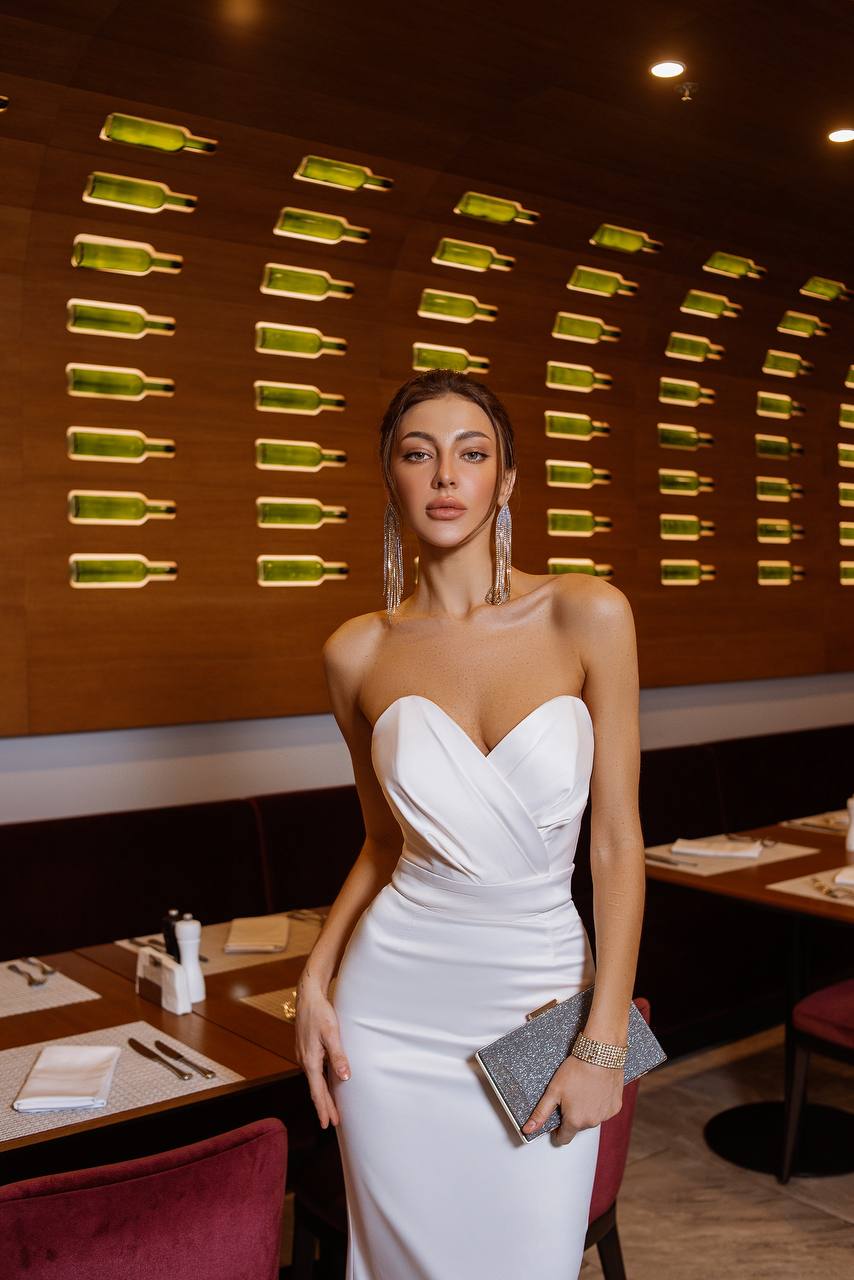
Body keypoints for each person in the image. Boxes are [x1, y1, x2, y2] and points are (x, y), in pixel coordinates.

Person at [295, 368, 646, 1278]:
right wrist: (317, 979)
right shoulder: (355, 652)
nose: (445, 475)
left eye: (471, 453)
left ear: (509, 480)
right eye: (419, 454)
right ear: (391, 479)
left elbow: (614, 844)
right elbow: (382, 842)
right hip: (390, 1017)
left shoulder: (589, 613)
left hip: (537, 995)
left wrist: (603, 1045)